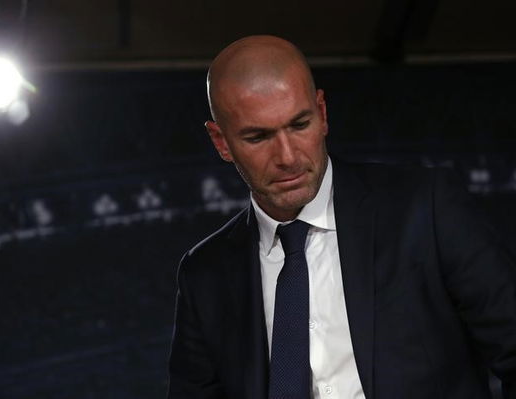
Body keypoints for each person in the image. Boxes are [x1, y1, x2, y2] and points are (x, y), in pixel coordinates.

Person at [167, 35, 516, 399]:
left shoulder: (425, 209)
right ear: (221, 142)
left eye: (299, 125)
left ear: (322, 112)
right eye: (258, 137)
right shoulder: (204, 274)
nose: (287, 156)